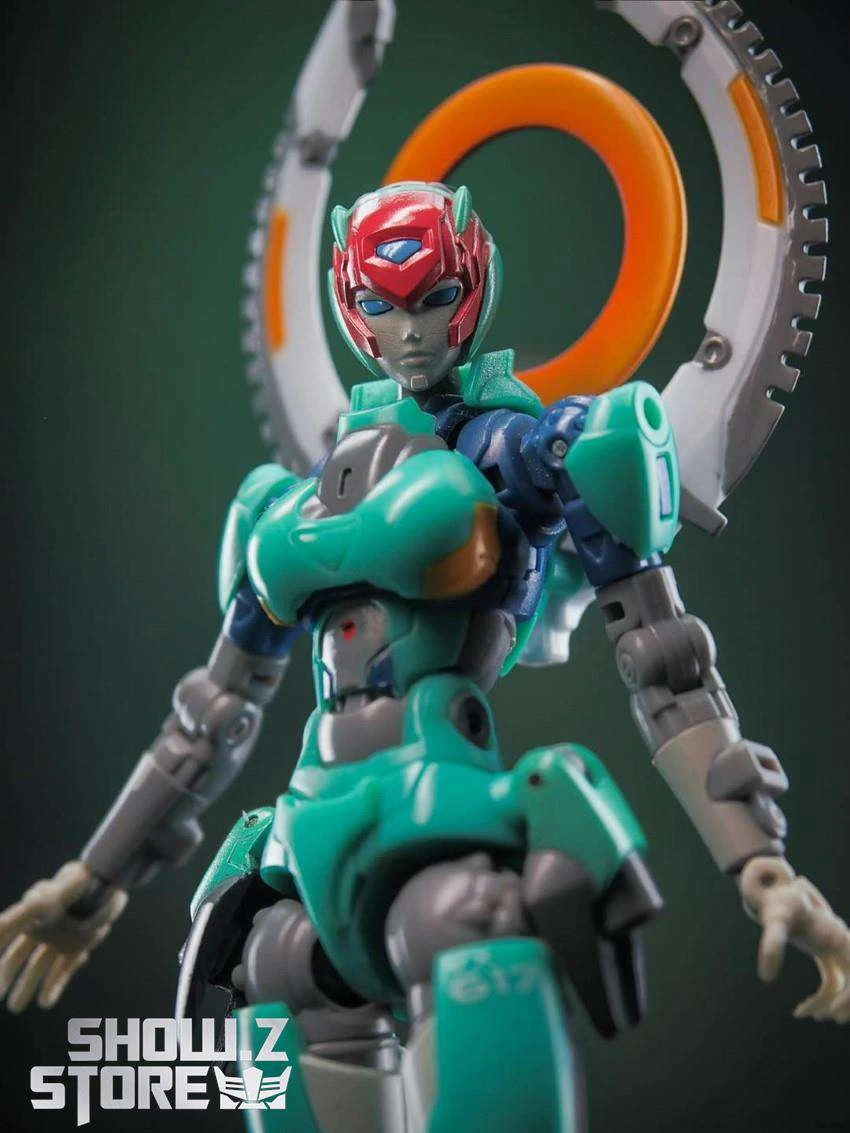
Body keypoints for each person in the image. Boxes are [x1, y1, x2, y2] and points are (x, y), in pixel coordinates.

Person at [1, 182, 847, 1132]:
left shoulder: (519, 453)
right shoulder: (291, 499)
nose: (410, 331)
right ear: (350, 306)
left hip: (440, 821)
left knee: (470, 927)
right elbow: (212, 714)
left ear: (472, 289)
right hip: (301, 850)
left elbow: (662, 654)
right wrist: (93, 880)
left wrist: (759, 861)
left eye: (434, 298)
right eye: (381, 304)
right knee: (272, 973)